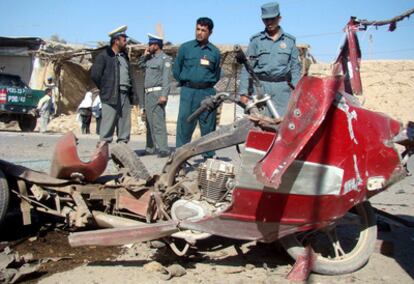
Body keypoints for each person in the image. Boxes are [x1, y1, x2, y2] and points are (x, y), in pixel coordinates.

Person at [239, 2, 301, 117]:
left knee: (282, 125)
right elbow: (247, 68)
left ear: (279, 18)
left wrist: (296, 90)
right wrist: (244, 92)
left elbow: (295, 69)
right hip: (261, 88)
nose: (269, 22)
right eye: (266, 20)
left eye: (272, 19)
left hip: (283, 91)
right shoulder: (256, 41)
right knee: (260, 124)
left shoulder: (289, 41)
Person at [173, 17, 221, 159]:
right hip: (188, 92)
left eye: (203, 30)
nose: (199, 33)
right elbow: (176, 70)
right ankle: (179, 160)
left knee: (208, 127)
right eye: (197, 29)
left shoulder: (215, 52)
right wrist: (187, 83)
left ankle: (208, 160)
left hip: (207, 93)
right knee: (185, 125)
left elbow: (216, 74)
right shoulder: (185, 48)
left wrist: (205, 85)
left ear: (210, 32)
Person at [91, 25, 136, 144]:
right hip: (110, 95)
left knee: (124, 126)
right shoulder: (104, 56)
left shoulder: (124, 57)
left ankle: (122, 152)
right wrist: (106, 89)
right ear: (116, 41)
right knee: (107, 126)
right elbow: (95, 75)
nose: (126, 42)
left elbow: (129, 77)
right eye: (124, 39)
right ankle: (102, 153)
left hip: (125, 95)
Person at [137, 33, 172, 157]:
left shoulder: (165, 59)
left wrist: (164, 95)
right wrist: (144, 56)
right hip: (148, 94)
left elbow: (166, 79)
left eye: (150, 44)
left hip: (157, 93)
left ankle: (163, 148)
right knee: (149, 121)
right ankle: (150, 148)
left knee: (158, 121)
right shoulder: (149, 59)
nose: (149, 46)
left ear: (156, 45)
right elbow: (140, 65)